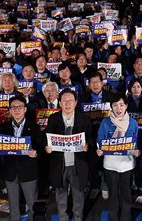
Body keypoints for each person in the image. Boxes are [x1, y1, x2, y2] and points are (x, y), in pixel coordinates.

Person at [45, 89, 92, 221]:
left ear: (76, 102)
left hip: (78, 163)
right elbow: (47, 138)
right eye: (64, 101)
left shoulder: (84, 119)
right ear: (60, 103)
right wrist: (47, 147)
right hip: (59, 163)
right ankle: (63, 218)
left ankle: (78, 218)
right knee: (60, 193)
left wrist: (88, 145)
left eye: (70, 100)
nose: (67, 103)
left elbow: (91, 140)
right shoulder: (53, 119)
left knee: (78, 194)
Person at [0, 96, 40, 221]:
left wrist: (36, 153)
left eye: (20, 107)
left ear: (25, 109)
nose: (17, 110)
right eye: (13, 107)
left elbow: (40, 147)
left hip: (28, 171)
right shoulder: (3, 127)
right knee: (13, 205)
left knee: (32, 205)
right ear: (9, 110)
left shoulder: (34, 127)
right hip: (10, 171)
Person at [96, 93, 140, 221]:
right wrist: (99, 149)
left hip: (127, 164)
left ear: (126, 106)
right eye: (115, 105)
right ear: (111, 107)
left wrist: (137, 150)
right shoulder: (105, 122)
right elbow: (100, 140)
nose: (118, 108)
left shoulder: (133, 123)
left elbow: (136, 142)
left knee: (126, 195)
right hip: (110, 164)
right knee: (113, 195)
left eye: (121, 105)